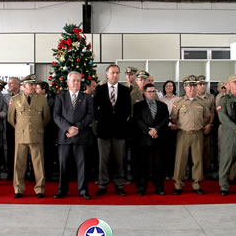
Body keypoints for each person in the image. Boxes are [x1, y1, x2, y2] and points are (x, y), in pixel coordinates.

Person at [8, 75, 51, 198]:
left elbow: (46, 117)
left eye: (34, 84)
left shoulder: (42, 99)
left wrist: (38, 128)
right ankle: (18, 189)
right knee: (19, 163)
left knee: (38, 164)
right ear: (23, 86)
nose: (33, 87)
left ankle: (40, 189)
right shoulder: (15, 99)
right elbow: (11, 118)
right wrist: (20, 128)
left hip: (36, 134)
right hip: (21, 135)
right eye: (30, 84)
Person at [53, 71, 93, 199]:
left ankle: (83, 190)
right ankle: (62, 190)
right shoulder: (60, 97)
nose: (76, 83)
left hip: (81, 136)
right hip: (64, 136)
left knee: (82, 165)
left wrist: (77, 128)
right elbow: (56, 115)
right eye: (74, 80)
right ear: (68, 82)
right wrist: (68, 128)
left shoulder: (87, 98)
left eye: (78, 81)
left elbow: (90, 115)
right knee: (63, 165)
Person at [94, 65, 131, 197]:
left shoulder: (125, 90)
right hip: (103, 130)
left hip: (120, 130)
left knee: (119, 159)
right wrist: (102, 121)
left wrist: (120, 121)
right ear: (107, 75)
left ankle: (119, 185)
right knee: (103, 160)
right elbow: (94, 109)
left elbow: (128, 110)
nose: (115, 75)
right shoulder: (100, 89)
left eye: (117, 72)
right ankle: (102, 184)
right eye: (112, 73)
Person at [171, 76, 210, 195]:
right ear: (185, 87)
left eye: (194, 85)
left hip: (198, 134)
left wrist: (199, 124)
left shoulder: (202, 102)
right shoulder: (179, 102)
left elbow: (207, 116)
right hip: (183, 134)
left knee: (197, 160)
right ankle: (178, 185)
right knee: (180, 160)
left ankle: (196, 184)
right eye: (189, 86)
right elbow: (174, 118)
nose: (192, 88)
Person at [131, 83, 169, 195]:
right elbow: (138, 120)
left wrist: (156, 129)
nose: (152, 94)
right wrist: (149, 130)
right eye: (149, 92)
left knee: (158, 165)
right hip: (143, 139)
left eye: (153, 91)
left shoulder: (162, 105)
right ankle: (142, 188)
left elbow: (165, 119)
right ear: (144, 93)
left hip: (158, 138)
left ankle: (159, 188)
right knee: (143, 165)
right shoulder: (138, 106)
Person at [197, 76, 215, 178]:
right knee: (195, 151)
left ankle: (207, 172)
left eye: (204, 84)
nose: (202, 86)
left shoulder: (211, 97)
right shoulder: (193, 97)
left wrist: (210, 124)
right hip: (196, 127)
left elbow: (212, 112)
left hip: (206, 127)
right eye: (200, 84)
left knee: (206, 151)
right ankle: (195, 173)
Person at [160, 80, 178, 179]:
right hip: (164, 127)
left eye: (170, 86)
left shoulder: (178, 99)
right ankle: (166, 173)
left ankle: (174, 173)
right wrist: (169, 124)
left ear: (174, 87)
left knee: (174, 151)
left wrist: (176, 125)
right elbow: (160, 115)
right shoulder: (161, 99)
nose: (168, 87)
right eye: (166, 86)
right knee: (165, 150)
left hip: (176, 127)